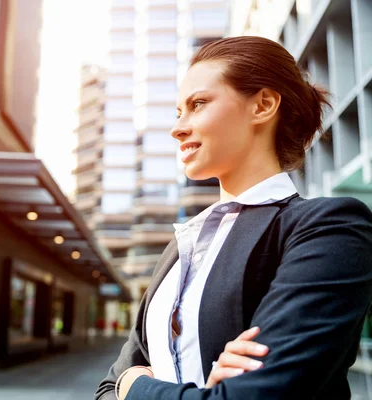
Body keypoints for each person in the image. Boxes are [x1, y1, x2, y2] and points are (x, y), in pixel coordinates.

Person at [95, 36, 372, 400]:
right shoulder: (181, 248)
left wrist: (136, 386)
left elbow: (255, 396)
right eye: (179, 112)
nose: (178, 128)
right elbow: (104, 389)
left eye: (198, 104)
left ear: (263, 105)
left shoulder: (329, 229)